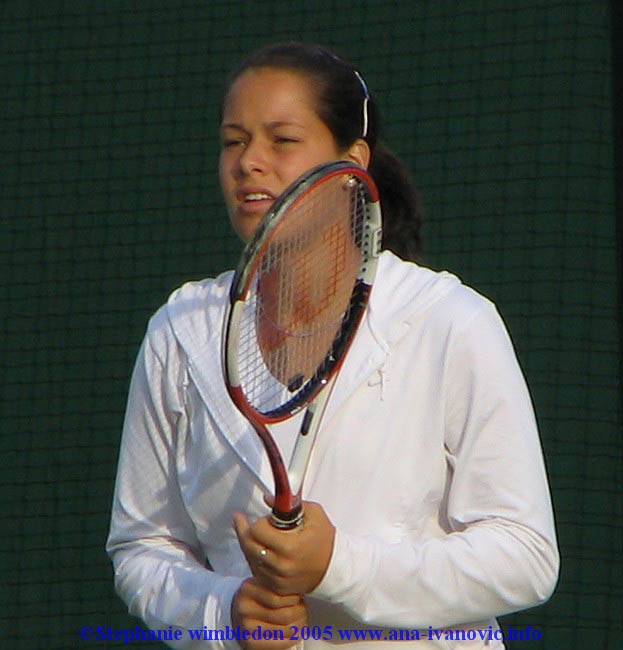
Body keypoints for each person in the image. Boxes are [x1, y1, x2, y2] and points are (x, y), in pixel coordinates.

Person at [107, 42, 559, 649]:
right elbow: (142, 545)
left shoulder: (452, 320)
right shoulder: (179, 330)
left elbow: (525, 556)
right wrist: (224, 610)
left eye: (282, 140)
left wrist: (339, 567)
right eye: (233, 140)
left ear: (353, 162)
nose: (249, 163)